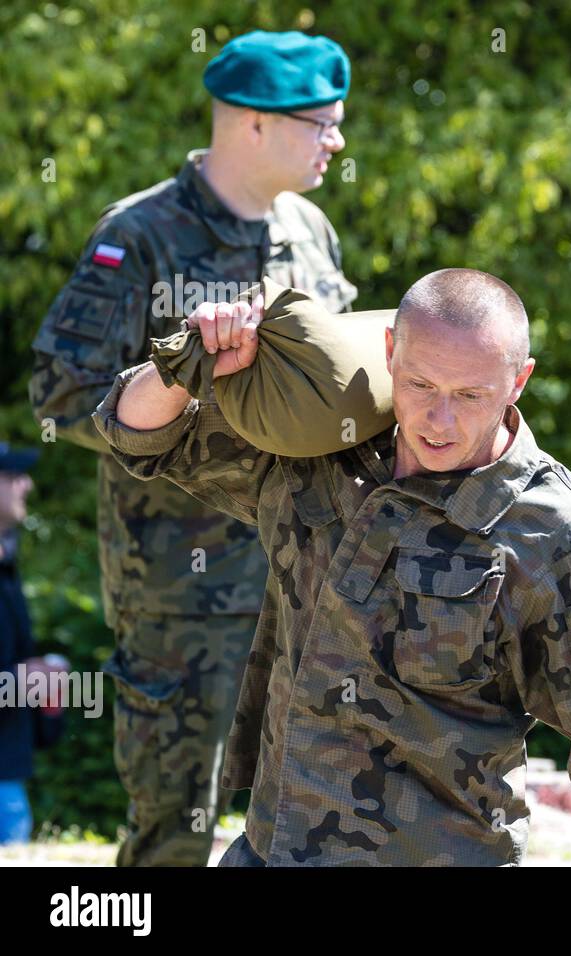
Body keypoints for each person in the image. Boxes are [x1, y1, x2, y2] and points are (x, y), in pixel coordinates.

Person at [92, 269, 571, 866]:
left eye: (470, 395)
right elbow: (139, 434)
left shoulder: (551, 530)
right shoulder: (319, 454)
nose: (438, 420)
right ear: (391, 351)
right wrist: (194, 355)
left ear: (518, 381)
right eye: (421, 384)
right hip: (273, 852)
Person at [28, 29, 356, 866]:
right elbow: (60, 395)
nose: (337, 141)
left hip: (307, 577)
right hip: (182, 594)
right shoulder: (140, 236)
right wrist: (181, 378)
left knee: (314, 825)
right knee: (174, 833)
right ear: (252, 122)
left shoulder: (310, 232)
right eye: (320, 123)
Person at [0, 442, 66, 845]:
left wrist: (45, 688)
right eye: (11, 476)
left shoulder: (7, 565)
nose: (26, 485)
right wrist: (24, 678)